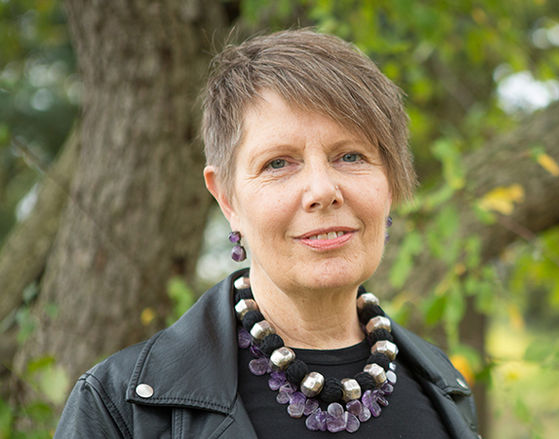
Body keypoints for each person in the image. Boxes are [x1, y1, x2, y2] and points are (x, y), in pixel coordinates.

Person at [54, 29, 479, 438]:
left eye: (351, 155)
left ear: (390, 182)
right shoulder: (120, 408)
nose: (322, 191)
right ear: (227, 198)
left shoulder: (446, 387)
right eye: (278, 163)